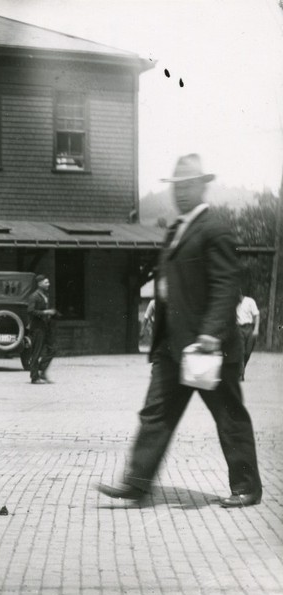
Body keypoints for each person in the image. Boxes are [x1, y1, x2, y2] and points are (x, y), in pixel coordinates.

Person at [97, 154, 262, 508]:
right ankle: (137, 484)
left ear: (203, 186)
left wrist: (211, 334)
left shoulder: (215, 229)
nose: (182, 194)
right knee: (155, 415)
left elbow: (225, 285)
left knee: (229, 417)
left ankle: (247, 487)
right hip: (173, 350)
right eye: (177, 187)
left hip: (208, 350)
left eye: (189, 186)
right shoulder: (176, 230)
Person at [26, 274, 58, 384]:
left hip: (46, 327)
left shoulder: (45, 295)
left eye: (48, 282)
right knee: (36, 352)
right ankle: (34, 377)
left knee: (52, 349)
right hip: (37, 328)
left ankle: (41, 370)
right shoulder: (34, 296)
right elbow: (30, 311)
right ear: (39, 284)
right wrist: (45, 312)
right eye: (46, 282)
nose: (48, 284)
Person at [236, 291, 260, 381]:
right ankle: (240, 374)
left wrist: (256, 329)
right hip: (238, 328)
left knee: (247, 352)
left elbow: (257, 315)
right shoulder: (233, 304)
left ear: (240, 293)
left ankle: (241, 370)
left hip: (249, 328)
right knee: (241, 351)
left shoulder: (250, 301)